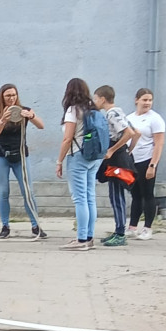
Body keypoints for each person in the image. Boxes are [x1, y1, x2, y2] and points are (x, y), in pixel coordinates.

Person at [0, 84, 47, 239]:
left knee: (27, 191)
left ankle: (36, 226)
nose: (11, 98)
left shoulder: (25, 110)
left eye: (14, 95)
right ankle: (5, 226)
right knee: (3, 191)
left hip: (20, 155)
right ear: (2, 97)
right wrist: (2, 120)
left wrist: (31, 116)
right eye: (8, 96)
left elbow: (41, 126)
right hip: (1, 156)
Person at [56, 78, 106, 250]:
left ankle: (81, 239)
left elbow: (67, 138)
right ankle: (89, 237)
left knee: (79, 199)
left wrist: (59, 160)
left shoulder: (73, 110)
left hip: (77, 155)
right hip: (94, 157)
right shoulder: (93, 109)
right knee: (89, 196)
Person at [93, 85, 140, 247]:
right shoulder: (119, 111)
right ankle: (117, 230)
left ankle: (120, 233)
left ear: (102, 99)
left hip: (116, 158)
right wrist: (129, 150)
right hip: (120, 155)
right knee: (115, 195)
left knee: (116, 196)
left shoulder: (112, 113)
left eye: (96, 99)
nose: (95, 102)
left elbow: (130, 133)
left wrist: (113, 150)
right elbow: (137, 133)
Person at [125, 88, 165, 241]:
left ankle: (147, 228)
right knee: (135, 194)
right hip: (132, 161)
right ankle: (132, 227)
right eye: (144, 100)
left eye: (149, 100)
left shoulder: (155, 119)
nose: (147, 103)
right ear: (137, 100)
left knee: (147, 194)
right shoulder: (130, 118)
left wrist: (153, 165)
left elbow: (159, 144)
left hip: (147, 160)